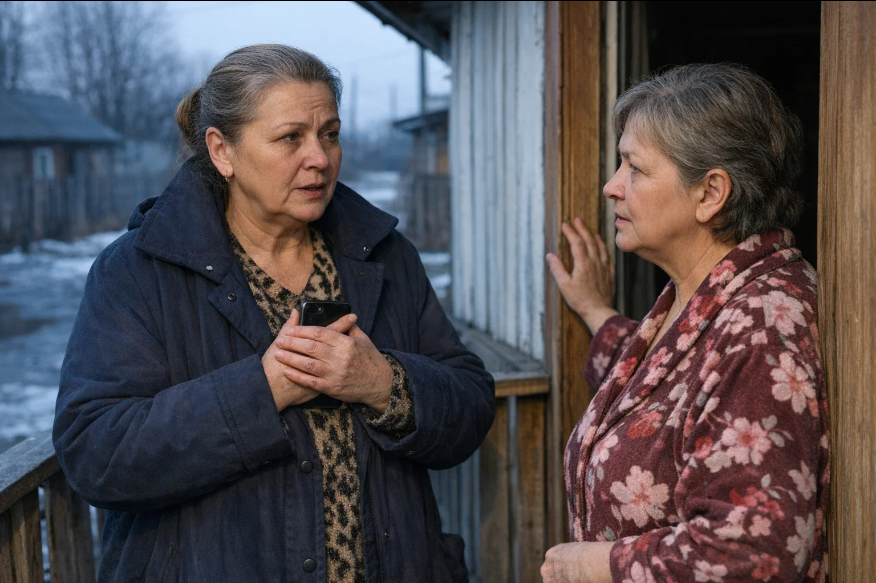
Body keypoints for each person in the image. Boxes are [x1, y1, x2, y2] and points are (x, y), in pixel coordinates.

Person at [53, 44, 494, 583]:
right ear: (222, 151)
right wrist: (263, 389)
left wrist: (385, 384)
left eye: (330, 134)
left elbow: (471, 404)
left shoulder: (381, 254)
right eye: (291, 138)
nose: (320, 158)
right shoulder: (139, 270)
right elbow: (96, 453)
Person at [541, 64, 828, 583]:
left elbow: (749, 556)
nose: (611, 186)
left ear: (710, 193)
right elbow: (664, 394)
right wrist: (594, 310)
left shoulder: (763, 328)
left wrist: (594, 565)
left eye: (634, 168)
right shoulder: (709, 291)